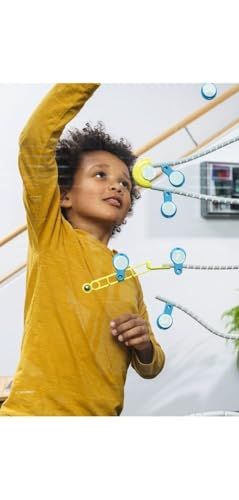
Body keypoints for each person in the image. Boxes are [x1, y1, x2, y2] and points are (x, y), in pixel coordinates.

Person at [0, 84, 165, 416]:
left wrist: (145, 345)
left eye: (125, 183)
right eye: (100, 175)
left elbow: (152, 366)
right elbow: (34, 140)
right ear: (64, 196)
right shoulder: (52, 237)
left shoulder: (128, 277)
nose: (117, 185)